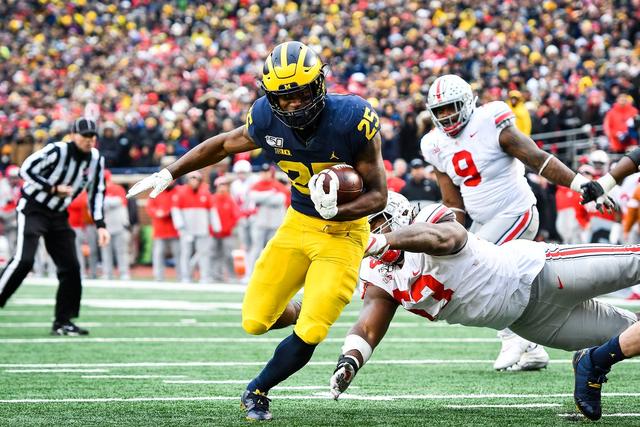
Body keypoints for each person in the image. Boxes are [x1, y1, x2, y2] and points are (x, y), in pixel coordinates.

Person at [126, 41, 387, 421]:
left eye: (301, 94)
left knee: (313, 330)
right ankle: (305, 307)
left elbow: (378, 195)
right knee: (255, 320)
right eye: (283, 98)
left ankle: (258, 389)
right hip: (298, 224)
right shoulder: (265, 118)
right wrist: (169, 173)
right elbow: (224, 144)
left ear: (319, 86)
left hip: (344, 235)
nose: (293, 105)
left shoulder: (352, 117)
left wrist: (339, 209)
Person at [328, 193, 639, 403]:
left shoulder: (427, 219)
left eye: (374, 223)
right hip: (531, 323)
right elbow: (368, 324)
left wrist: (383, 240)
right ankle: (588, 361)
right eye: (362, 229)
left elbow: (447, 237)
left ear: (398, 214)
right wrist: (350, 360)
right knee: (631, 335)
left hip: (541, 272)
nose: (367, 233)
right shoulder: (378, 273)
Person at [420, 74, 614, 371]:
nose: (446, 115)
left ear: (468, 102)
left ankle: (511, 337)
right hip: (485, 222)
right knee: (478, 276)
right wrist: (450, 236)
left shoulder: (489, 120)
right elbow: (452, 202)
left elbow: (538, 159)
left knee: (479, 270)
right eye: (440, 110)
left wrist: (580, 184)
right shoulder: (433, 144)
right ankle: (532, 348)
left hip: (516, 211)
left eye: (451, 107)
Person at [0, 117, 110, 335]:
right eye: (85, 136)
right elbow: (26, 170)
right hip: (34, 208)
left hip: (59, 214)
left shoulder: (96, 159)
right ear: (73, 135)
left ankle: (63, 321)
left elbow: (96, 192)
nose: (89, 140)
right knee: (24, 260)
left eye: (92, 136)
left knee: (71, 267)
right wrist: (51, 188)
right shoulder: (57, 150)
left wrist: (100, 224)